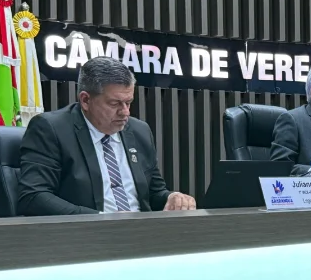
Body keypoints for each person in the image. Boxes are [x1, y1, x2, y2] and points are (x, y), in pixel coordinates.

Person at [17, 56, 196, 216]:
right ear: (86, 100)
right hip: (84, 237)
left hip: (141, 234)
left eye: (128, 102)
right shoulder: (51, 129)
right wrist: (101, 219)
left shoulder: (139, 130)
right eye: (115, 103)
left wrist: (172, 197)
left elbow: (154, 193)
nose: (125, 112)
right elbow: (34, 197)